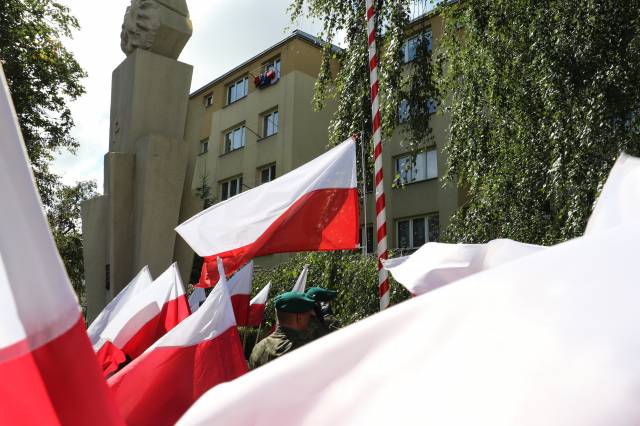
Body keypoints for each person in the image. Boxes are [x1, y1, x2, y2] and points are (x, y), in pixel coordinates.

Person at [249, 291, 316, 369]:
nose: (310, 320)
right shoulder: (305, 349)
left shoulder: (258, 348)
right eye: (309, 316)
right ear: (299, 318)